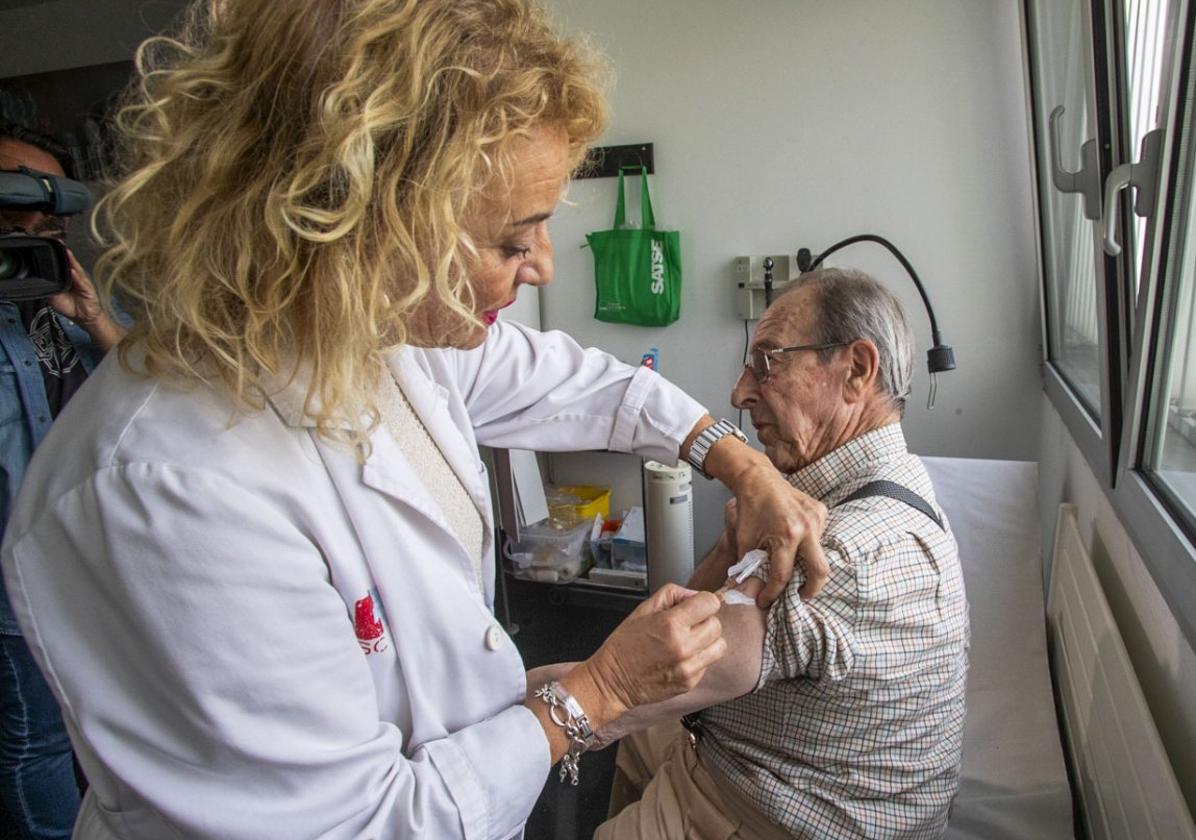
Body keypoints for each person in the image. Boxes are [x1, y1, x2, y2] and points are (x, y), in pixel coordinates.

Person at [0, 2, 830, 838]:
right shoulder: (169, 488)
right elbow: (354, 825)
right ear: (361, 223)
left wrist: (743, 466)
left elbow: (589, 383)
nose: (542, 266)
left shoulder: (374, 330)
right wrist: (599, 694)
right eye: (514, 238)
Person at [595, 269, 970, 840]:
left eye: (768, 361)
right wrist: (729, 545)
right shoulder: (891, 482)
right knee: (640, 745)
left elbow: (633, 681)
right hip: (745, 752)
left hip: (757, 811)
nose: (740, 393)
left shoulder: (839, 553)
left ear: (856, 371)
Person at [0, 124, 125, 840]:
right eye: (9, 223)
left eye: (43, 226)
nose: (27, 240)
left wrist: (93, 317)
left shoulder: (71, 308)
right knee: (34, 738)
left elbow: (159, 387)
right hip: (13, 581)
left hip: (91, 566)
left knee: (94, 736)